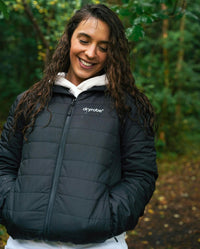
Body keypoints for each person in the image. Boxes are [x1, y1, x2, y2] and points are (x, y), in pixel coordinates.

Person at [0, 4, 158, 249]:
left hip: (97, 244)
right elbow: (5, 163)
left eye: (103, 47)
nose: (91, 53)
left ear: (113, 53)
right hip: (25, 243)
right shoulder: (29, 101)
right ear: (69, 39)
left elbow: (141, 175)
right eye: (84, 40)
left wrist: (107, 217)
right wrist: (10, 205)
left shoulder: (127, 106)